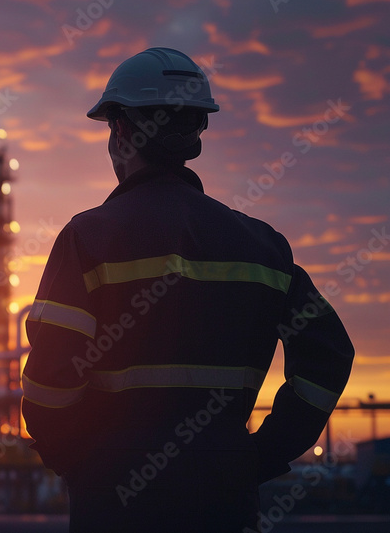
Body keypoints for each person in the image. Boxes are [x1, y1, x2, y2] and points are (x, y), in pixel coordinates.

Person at [20, 47, 354, 532]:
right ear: (197, 131)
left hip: (115, 504)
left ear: (122, 131)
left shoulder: (89, 239)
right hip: (224, 500)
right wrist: (263, 454)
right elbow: (329, 356)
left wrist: (79, 462)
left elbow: (49, 382)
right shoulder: (261, 245)